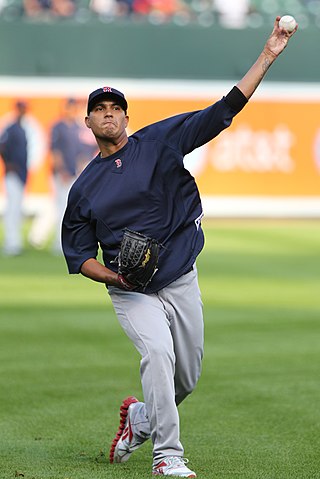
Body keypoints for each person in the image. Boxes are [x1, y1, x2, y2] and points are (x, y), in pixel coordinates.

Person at [61, 18, 297, 478]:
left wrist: (267, 54)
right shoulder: (84, 188)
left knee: (185, 377)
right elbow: (79, 256)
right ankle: (167, 455)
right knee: (159, 354)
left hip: (180, 273)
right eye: (99, 108)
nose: (108, 113)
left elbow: (223, 110)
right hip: (132, 290)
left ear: (127, 117)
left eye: (115, 107)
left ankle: (141, 419)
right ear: (88, 120)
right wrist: (115, 278)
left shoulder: (160, 141)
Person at [50, 98, 84, 254]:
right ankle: (58, 242)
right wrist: (62, 170)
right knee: (61, 208)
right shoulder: (58, 127)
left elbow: (80, 153)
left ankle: (69, 242)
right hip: (61, 174)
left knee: (72, 210)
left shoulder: (77, 127)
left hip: (74, 174)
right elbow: (55, 151)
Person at [0, 100, 29, 256]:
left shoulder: (22, 129)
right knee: (12, 208)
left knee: (17, 209)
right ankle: (11, 243)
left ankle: (15, 241)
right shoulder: (11, 128)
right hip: (13, 173)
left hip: (20, 173)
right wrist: (8, 163)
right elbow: (2, 146)